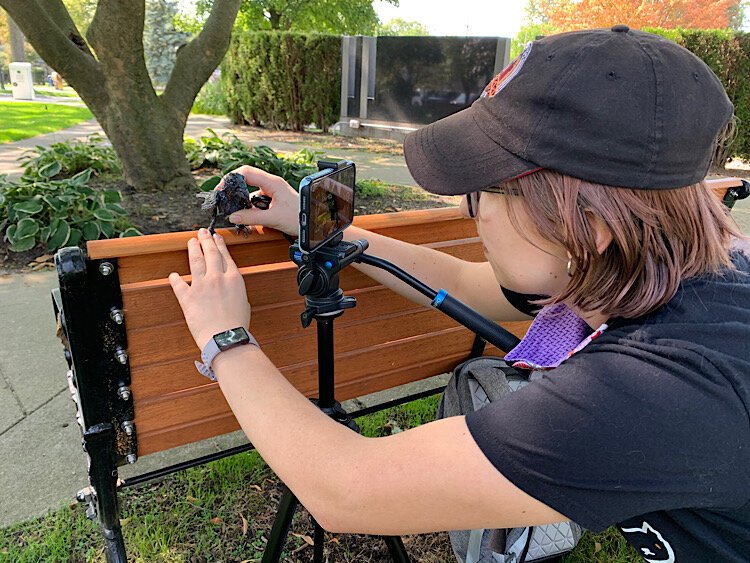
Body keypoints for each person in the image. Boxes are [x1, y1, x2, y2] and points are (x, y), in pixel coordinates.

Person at [169, 27, 750, 562]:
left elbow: (346, 488)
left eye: (480, 190)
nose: (470, 213)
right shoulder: (695, 265)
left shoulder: (650, 394)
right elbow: (467, 285)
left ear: (587, 226)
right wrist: (314, 219)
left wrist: (227, 341)